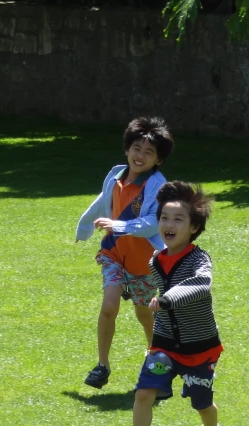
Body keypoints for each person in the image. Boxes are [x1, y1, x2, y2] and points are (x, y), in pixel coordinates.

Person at [112, 181, 225, 426]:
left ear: (194, 228)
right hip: (163, 344)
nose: (169, 224)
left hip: (198, 346)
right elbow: (153, 287)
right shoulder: (155, 259)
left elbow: (202, 285)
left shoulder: (200, 259)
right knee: (144, 394)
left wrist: (167, 299)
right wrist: (130, 288)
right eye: (164, 217)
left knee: (202, 403)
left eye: (178, 219)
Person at [75, 117, 175, 389]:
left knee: (144, 315)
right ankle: (102, 365)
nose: (140, 156)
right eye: (136, 148)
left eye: (148, 152)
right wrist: (83, 229)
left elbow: (154, 221)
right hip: (114, 254)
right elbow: (101, 203)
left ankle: (158, 362)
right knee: (109, 305)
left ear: (158, 160)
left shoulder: (157, 184)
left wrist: (118, 224)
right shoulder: (116, 175)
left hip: (144, 264)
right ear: (127, 149)